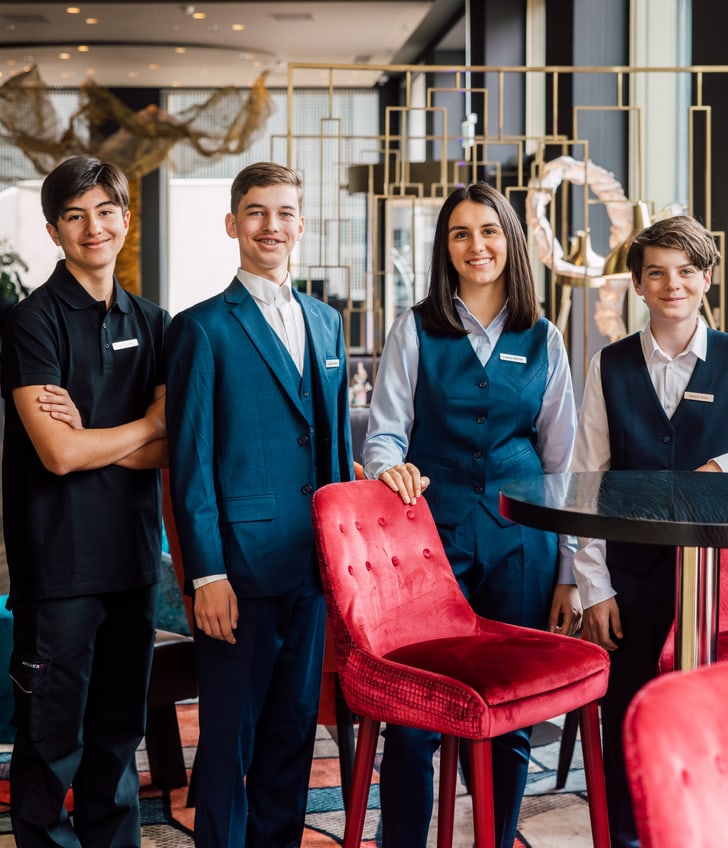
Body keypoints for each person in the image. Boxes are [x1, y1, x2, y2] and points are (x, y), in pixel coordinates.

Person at [362, 181, 580, 848]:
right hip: (431, 541)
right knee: (414, 717)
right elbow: (384, 432)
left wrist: (569, 570)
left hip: (523, 543)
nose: (476, 245)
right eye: (460, 233)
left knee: (513, 712)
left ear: (509, 241)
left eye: (488, 230)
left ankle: (498, 836)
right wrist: (387, 466)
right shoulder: (415, 328)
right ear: (445, 247)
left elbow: (561, 463)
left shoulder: (543, 337)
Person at [164, 161, 353, 848]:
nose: (271, 226)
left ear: (301, 225)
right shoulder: (202, 329)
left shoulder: (328, 324)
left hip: (311, 569)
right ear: (232, 223)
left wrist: (342, 565)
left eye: (284, 213)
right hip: (237, 575)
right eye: (256, 212)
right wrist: (206, 575)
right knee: (227, 745)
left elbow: (333, 451)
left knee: (293, 733)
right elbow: (191, 462)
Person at [0, 155, 169, 848]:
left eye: (104, 211)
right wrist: (148, 424)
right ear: (53, 230)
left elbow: (167, 451)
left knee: (117, 742)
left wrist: (103, 436)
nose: (92, 227)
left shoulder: (156, 321)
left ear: (125, 221)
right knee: (49, 748)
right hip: (59, 569)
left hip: (133, 564)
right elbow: (56, 454)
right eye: (75, 215)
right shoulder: (29, 323)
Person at [570, 214, 728, 848]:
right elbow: (586, 481)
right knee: (627, 715)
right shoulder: (608, 365)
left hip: (717, 579)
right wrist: (593, 588)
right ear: (638, 284)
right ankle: (629, 837)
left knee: (710, 714)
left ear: (706, 279)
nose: (673, 285)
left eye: (686, 272)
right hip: (630, 576)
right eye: (657, 273)